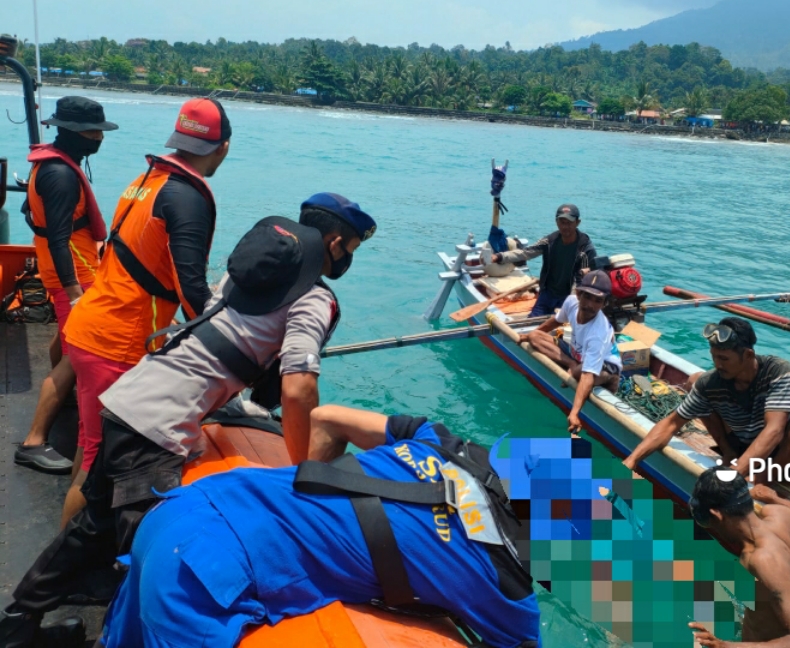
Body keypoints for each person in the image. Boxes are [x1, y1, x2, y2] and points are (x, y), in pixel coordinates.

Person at [0, 193, 375, 646]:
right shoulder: (314, 297)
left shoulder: (246, 277)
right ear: (334, 242)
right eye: (351, 248)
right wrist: (300, 472)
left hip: (130, 400)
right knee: (168, 556)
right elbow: (298, 387)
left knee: (93, 525)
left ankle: (19, 622)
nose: (347, 258)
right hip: (156, 429)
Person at [100, 406, 541, 648]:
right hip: (206, 575)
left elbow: (326, 416)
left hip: (184, 507)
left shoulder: (436, 442)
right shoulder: (504, 584)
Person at [57, 97, 230, 526]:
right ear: (222, 147)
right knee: (98, 462)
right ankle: (62, 569)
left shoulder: (149, 177)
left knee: (89, 441)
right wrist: (227, 341)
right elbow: (191, 287)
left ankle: (72, 545)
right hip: (116, 339)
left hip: (92, 322)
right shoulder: (187, 197)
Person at [15, 97, 117, 474]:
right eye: (93, 132)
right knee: (78, 358)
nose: (98, 139)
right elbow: (58, 238)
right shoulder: (59, 175)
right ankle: (33, 441)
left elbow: (33, 217)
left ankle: (65, 401)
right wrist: (74, 293)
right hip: (72, 276)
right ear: (72, 132)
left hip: (72, 268)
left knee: (68, 342)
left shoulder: (53, 165)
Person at [622, 318, 790, 485]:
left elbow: (774, 431)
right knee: (697, 381)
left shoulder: (777, 371)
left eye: (724, 359)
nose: (717, 364)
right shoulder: (713, 381)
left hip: (780, 454)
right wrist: (631, 461)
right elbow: (670, 423)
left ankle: (769, 476)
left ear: (748, 355)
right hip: (742, 446)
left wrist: (732, 475)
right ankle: (730, 454)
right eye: (714, 357)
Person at [687, 468, 790, 647]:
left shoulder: (763, 561)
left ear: (716, 515)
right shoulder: (780, 515)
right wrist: (775, 498)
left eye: (704, 520)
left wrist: (725, 646)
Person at [520, 270, 621, 435]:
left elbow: (588, 375)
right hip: (578, 355)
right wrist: (527, 335)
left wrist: (574, 413)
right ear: (578, 293)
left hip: (606, 368)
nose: (590, 304)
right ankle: (572, 366)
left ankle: (574, 369)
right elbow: (555, 321)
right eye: (587, 296)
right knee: (534, 336)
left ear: (604, 304)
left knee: (580, 373)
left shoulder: (598, 333)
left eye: (598, 301)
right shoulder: (571, 303)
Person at [488, 203, 597, 317]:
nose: (565, 226)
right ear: (556, 222)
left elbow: (587, 278)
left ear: (577, 222)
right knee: (531, 323)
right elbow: (525, 253)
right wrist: (499, 257)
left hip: (569, 297)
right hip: (547, 294)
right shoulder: (549, 241)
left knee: (561, 329)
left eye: (569, 223)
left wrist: (573, 303)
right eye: (562, 222)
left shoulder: (585, 249)